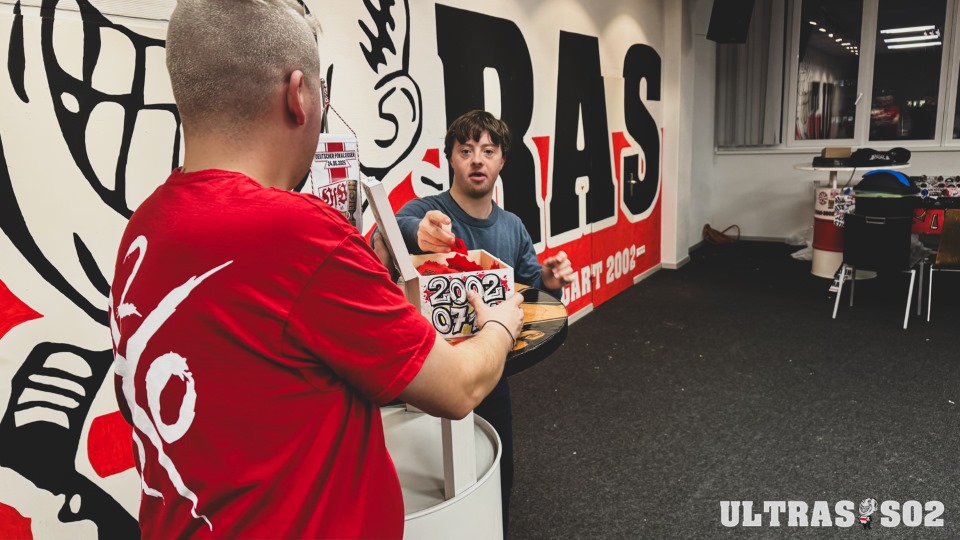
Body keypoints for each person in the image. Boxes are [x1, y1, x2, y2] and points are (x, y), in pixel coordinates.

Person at [108, 3, 524, 539]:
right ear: (298, 94)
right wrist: (500, 324)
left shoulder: (145, 228)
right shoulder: (299, 232)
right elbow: (458, 387)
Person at [374, 109, 575, 536]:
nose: (477, 160)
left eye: (488, 150)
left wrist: (548, 281)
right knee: (432, 479)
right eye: (466, 150)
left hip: (490, 369)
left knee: (499, 472)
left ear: (502, 160)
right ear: (450, 157)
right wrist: (419, 233)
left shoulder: (513, 226)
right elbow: (394, 229)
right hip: (431, 369)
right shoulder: (428, 210)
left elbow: (530, 291)